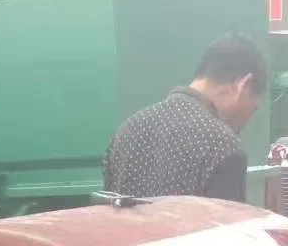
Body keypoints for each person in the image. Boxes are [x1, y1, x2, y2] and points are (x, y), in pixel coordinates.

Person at [104, 35, 268, 204]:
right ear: (244, 85)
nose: (247, 122)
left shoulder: (127, 131)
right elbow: (228, 221)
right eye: (254, 108)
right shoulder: (222, 145)